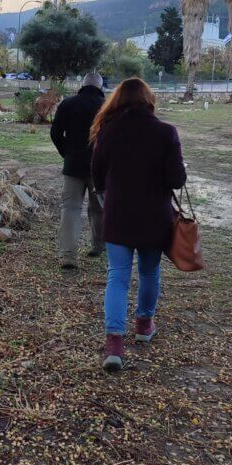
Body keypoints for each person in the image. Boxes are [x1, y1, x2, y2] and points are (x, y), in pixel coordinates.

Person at [91, 78, 187, 371]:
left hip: (118, 214)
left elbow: (96, 175)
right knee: (149, 271)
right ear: (149, 100)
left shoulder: (108, 132)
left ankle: (114, 345)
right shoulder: (166, 132)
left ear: (117, 100)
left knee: (117, 276)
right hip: (154, 216)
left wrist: (108, 196)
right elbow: (176, 180)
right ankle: (144, 326)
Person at [50, 72, 106, 269]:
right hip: (100, 167)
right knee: (99, 207)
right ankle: (98, 245)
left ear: (82, 84)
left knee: (71, 209)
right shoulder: (107, 107)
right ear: (100, 87)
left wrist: (67, 153)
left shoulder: (68, 104)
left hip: (73, 165)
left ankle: (68, 255)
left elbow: (55, 132)